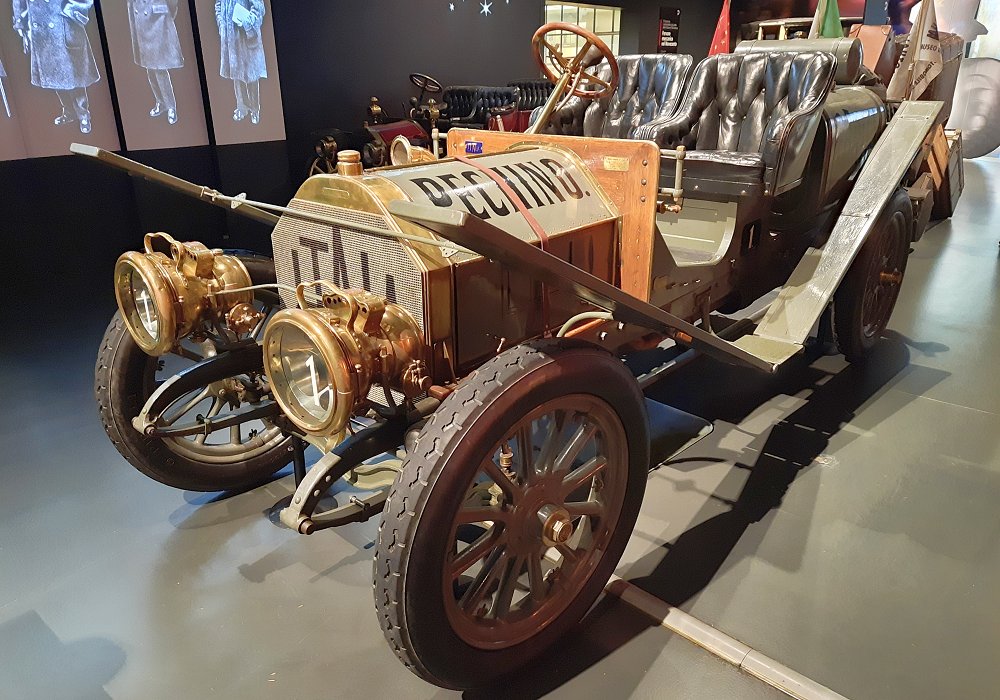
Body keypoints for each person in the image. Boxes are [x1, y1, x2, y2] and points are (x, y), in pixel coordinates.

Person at [12, 0, 100, 133]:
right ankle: (69, 112)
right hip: (39, 28)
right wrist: (20, 22)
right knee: (54, 76)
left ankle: (83, 115)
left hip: (62, 24)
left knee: (73, 77)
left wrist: (72, 11)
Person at [128, 0, 184, 125]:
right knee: (150, 67)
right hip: (140, 19)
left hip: (158, 20)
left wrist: (167, 14)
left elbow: (173, 3)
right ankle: (161, 102)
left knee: (159, 68)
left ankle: (171, 107)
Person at [214, 0, 266, 125]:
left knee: (252, 75)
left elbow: (259, 7)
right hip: (231, 38)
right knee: (236, 74)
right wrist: (221, 24)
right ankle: (242, 107)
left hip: (246, 35)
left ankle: (255, 109)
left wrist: (247, 23)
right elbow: (218, 5)